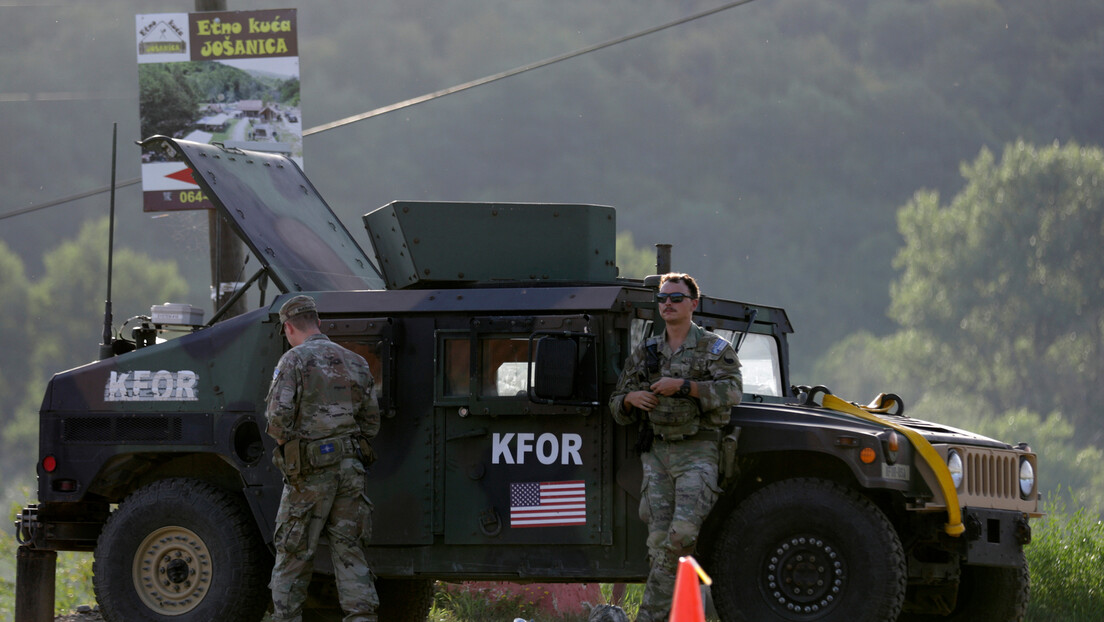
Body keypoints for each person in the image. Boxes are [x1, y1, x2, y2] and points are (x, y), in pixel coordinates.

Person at [608, 273, 743, 622]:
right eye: (663, 298)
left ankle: (648, 617)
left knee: (681, 536)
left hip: (697, 451)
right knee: (658, 544)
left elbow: (732, 392)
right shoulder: (648, 350)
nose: (667, 304)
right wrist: (630, 400)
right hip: (657, 453)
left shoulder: (713, 349)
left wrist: (684, 386)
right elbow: (616, 402)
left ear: (693, 304)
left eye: (676, 298)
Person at [265, 295, 381, 622]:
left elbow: (277, 421)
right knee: (351, 552)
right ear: (319, 323)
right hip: (350, 469)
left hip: (310, 475)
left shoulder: (293, 361)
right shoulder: (356, 362)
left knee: (293, 553)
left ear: (288, 327)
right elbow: (371, 423)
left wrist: (297, 449)